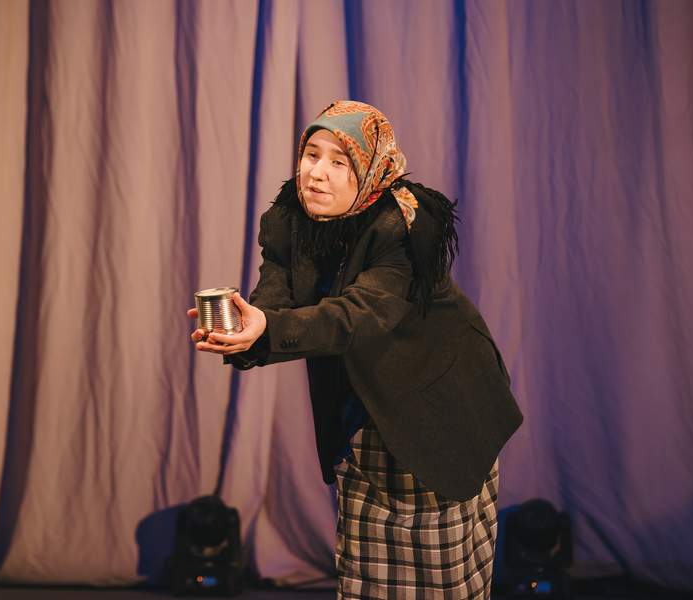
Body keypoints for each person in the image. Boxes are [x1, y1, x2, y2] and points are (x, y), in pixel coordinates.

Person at [187, 101, 523, 599]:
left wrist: (268, 326)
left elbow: (360, 314)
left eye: (339, 161)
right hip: (363, 409)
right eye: (311, 155)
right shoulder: (287, 219)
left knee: (441, 576)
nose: (316, 173)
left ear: (369, 167)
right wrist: (245, 334)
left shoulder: (404, 223)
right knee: (367, 576)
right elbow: (275, 302)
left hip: (441, 407)